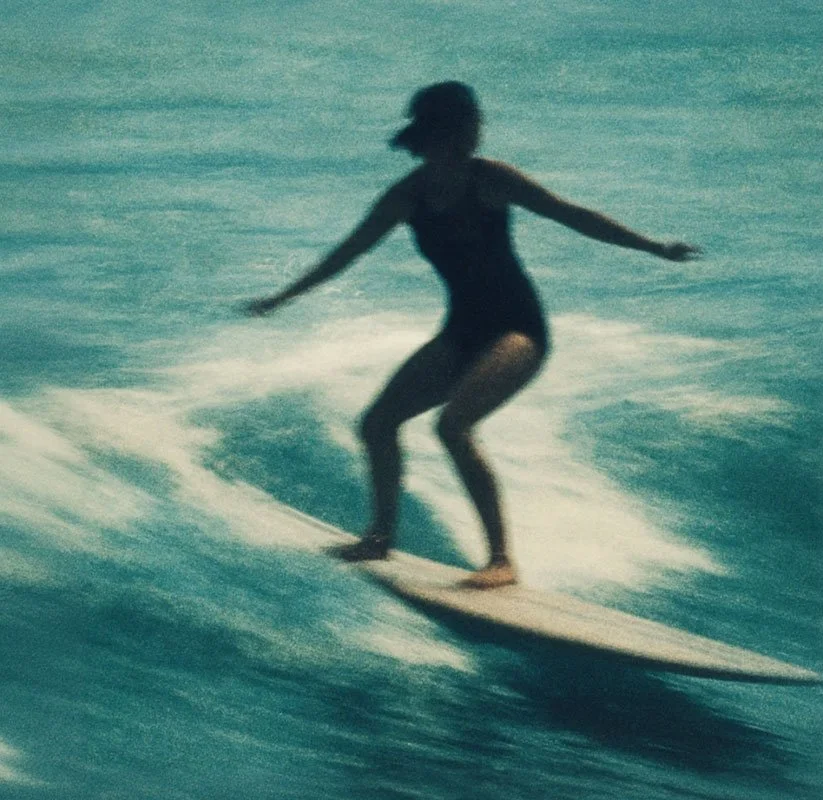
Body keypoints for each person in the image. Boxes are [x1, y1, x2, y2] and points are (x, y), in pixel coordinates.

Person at [245, 81, 699, 588]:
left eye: (477, 123)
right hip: (461, 331)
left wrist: (654, 248)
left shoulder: (492, 180)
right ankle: (379, 537)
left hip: (517, 330)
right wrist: (283, 297)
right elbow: (347, 253)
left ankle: (502, 560)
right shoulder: (406, 197)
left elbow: (573, 216)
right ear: (444, 130)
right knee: (377, 423)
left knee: (454, 426)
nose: (478, 132)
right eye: (469, 123)